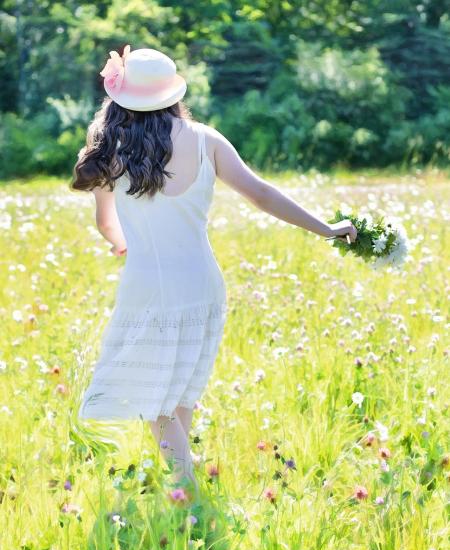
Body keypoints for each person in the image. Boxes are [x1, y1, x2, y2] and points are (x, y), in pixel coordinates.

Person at [71, 45, 357, 498]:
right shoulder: (205, 140)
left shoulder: (110, 151)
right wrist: (325, 228)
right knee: (178, 391)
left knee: (155, 399)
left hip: (147, 287)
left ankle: (188, 494)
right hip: (202, 284)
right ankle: (186, 490)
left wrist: (124, 244)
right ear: (172, 93)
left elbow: (107, 224)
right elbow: (261, 194)